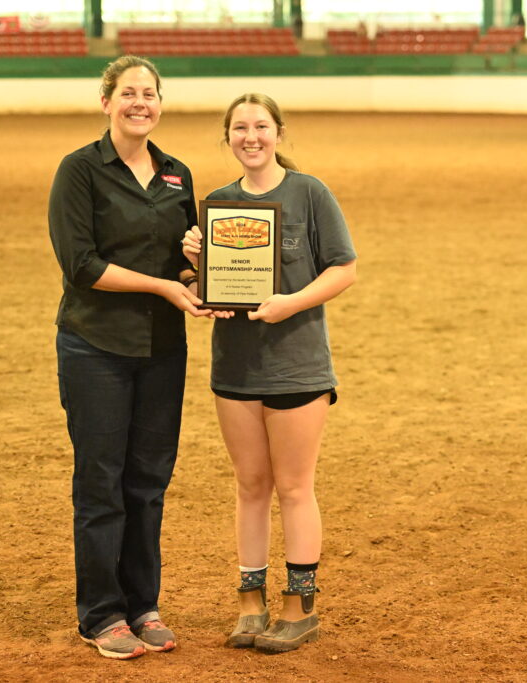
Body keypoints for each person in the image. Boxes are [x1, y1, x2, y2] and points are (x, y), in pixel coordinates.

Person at [182, 93, 357, 653]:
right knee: (250, 485)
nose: (250, 137)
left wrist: (292, 302)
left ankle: (299, 607)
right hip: (235, 365)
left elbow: (344, 269)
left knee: (294, 486)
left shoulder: (310, 193)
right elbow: (203, 289)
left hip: (297, 365)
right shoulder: (219, 204)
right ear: (228, 137)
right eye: (239, 128)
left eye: (261, 127)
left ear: (279, 133)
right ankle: (250, 604)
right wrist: (195, 268)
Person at [48, 55, 208, 661]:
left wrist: (200, 266)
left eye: (150, 93)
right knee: (101, 483)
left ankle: (143, 604)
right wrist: (165, 287)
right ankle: (101, 615)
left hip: (163, 349)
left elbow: (185, 265)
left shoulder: (177, 175)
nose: (140, 102)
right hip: (95, 346)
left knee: (148, 482)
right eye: (129, 93)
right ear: (107, 101)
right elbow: (81, 266)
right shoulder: (80, 170)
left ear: (160, 103)